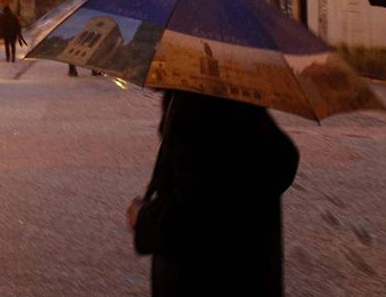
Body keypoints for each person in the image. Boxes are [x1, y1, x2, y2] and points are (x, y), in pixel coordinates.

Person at [128, 89, 299, 295]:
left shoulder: (198, 111)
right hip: (251, 273)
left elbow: (193, 215)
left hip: (205, 279)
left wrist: (142, 217)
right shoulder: (244, 107)